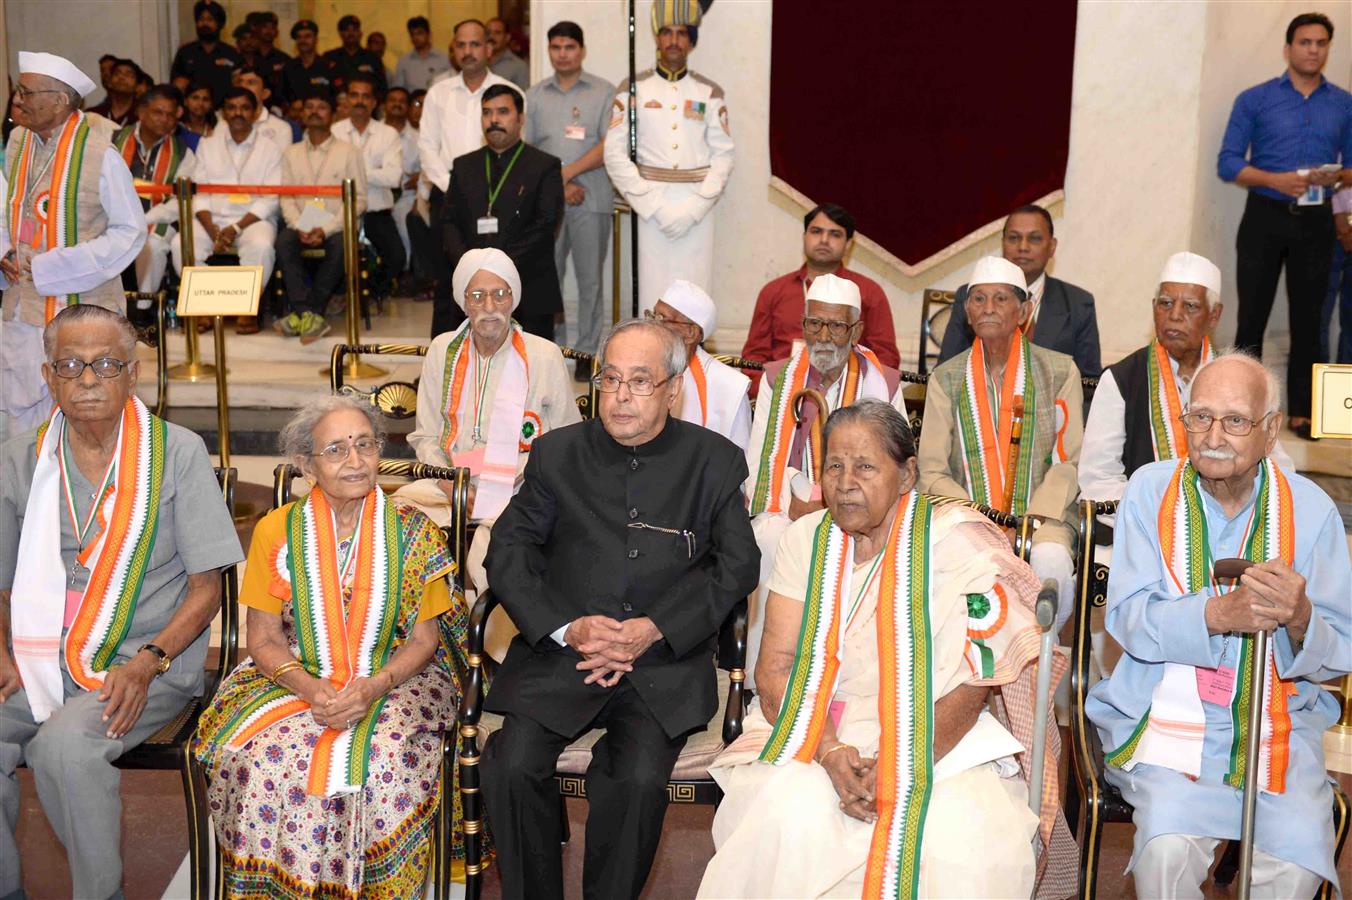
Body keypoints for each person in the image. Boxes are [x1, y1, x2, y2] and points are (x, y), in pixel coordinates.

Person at [698, 400, 1076, 898]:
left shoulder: (956, 543)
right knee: (784, 822)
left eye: (865, 466)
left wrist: (900, 764)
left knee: (968, 843)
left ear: (907, 474)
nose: (845, 481)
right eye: (834, 465)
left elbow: (974, 685)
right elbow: (776, 670)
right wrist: (831, 752)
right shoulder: (804, 539)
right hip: (818, 729)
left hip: (938, 737)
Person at [481, 317, 760, 900]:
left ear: (672, 390)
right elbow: (508, 551)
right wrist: (567, 627)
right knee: (510, 765)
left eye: (640, 381)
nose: (621, 395)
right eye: (610, 380)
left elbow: (736, 566)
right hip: (564, 657)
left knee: (634, 780)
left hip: (659, 666)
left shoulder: (714, 461)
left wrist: (656, 629)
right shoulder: (558, 453)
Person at [0, 305, 244, 899]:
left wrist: (149, 660)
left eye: (106, 364)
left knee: (63, 750)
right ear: (48, 377)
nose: (88, 379)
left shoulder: (177, 453)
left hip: (141, 663)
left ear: (133, 375)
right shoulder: (19, 458)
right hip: (38, 659)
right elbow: (3, 583)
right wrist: (3, 653)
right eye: (72, 365)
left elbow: (206, 587)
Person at [1086, 352, 1351, 897]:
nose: (1213, 436)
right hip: (1163, 716)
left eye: (1235, 421)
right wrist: (1213, 615)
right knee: (1165, 853)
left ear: (1271, 428)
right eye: (1199, 417)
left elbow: (1341, 647)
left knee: (1295, 863)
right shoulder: (1149, 491)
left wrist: (1301, 619)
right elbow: (1127, 620)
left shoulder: (1312, 509)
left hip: (1276, 725)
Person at [193, 394, 468, 898]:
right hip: (292, 673)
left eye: (365, 445)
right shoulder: (277, 530)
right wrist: (309, 686)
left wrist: (374, 685)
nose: (356, 460)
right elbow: (264, 638)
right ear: (306, 464)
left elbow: (426, 640)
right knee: (263, 757)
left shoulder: (414, 531)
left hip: (399, 676)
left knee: (383, 758)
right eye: (336, 450)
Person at [743, 273, 900, 683]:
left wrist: (835, 505)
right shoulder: (778, 378)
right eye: (815, 323)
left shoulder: (882, 383)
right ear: (804, 323)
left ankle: (841, 682)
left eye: (837, 326)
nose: (824, 336)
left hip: (860, 512)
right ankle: (768, 682)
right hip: (786, 508)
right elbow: (758, 461)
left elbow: (893, 467)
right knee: (771, 539)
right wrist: (792, 502)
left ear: (857, 330)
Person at [398, 248, 579, 593]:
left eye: (500, 294)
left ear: (513, 299)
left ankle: (483, 639)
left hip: (518, 489)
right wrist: (448, 481)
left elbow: (567, 440)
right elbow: (424, 436)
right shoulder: (441, 350)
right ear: (464, 303)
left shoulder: (544, 355)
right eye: (477, 296)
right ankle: (433, 631)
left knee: (493, 552)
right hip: (447, 483)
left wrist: (523, 479)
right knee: (394, 525)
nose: (490, 306)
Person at [915, 256, 1082, 628]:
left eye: (1001, 299)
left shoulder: (1059, 370)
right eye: (978, 299)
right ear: (967, 311)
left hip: (1043, 518)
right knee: (950, 563)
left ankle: (1041, 667)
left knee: (1052, 559)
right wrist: (985, 520)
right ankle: (969, 673)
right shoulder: (946, 378)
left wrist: (1024, 524)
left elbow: (1070, 460)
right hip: (968, 517)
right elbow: (932, 469)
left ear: (1024, 310)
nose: (988, 308)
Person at [0, 53, 147, 443]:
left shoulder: (101, 153)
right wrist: (3, 250)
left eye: (27, 92)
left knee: (87, 417)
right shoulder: (16, 142)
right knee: (20, 414)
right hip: (22, 308)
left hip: (82, 309)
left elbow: (130, 232)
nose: (18, 100)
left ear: (60, 101)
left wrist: (53, 268)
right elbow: (3, 207)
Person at [1218, 12, 1352, 438]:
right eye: (1305, 42)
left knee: (1309, 320)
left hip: (1317, 222)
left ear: (1328, 48)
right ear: (1288, 47)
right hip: (1264, 214)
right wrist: (1274, 179)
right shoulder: (1254, 99)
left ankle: (1304, 413)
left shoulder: (1344, 104)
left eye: (1321, 43)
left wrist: (1336, 176)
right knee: (1251, 318)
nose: (1313, 50)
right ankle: (1242, 408)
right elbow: (1228, 162)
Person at [604, 3, 734, 313]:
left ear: (691, 41)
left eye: (681, 33)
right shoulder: (633, 88)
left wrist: (695, 207)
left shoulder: (709, 92)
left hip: (698, 209)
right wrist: (652, 206)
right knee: (654, 295)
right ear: (657, 39)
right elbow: (614, 154)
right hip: (652, 208)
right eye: (666, 33)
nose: (674, 40)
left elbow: (724, 156)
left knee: (696, 294)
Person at [439, 84, 563, 339]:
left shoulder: (544, 165)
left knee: (530, 370)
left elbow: (545, 225)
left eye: (503, 112)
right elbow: (449, 222)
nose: (494, 120)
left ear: (520, 119)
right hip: (469, 284)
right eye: (487, 113)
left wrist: (497, 269)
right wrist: (470, 266)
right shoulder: (464, 166)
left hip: (528, 284)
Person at [526, 20, 616, 367]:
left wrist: (567, 174)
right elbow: (529, 150)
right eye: (556, 48)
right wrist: (558, 185)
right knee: (548, 277)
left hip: (592, 198)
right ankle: (551, 349)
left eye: (569, 47)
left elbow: (610, 144)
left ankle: (587, 351)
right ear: (549, 51)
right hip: (547, 202)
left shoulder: (603, 91)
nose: (562, 54)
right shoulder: (535, 95)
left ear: (582, 50)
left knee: (590, 278)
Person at [938, 204, 1102, 381]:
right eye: (1014, 238)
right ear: (1003, 244)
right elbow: (946, 371)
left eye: (1035, 238)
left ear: (1052, 246)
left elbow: (1089, 383)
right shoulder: (972, 295)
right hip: (979, 405)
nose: (1023, 247)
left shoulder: (1078, 303)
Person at [415, 19, 516, 303]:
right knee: (450, 280)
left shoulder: (509, 92)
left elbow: (516, 147)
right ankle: (448, 345)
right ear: (453, 49)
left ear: (488, 47)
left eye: (474, 44)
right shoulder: (438, 92)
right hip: (448, 196)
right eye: (461, 45)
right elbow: (426, 146)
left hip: (497, 196)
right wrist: (454, 187)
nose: (467, 51)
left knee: (496, 276)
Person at [742, 202, 900, 371]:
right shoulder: (773, 291)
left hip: (848, 392)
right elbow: (753, 359)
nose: (824, 240)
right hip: (781, 391)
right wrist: (773, 393)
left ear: (848, 244)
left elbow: (886, 360)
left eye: (835, 234)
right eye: (816, 232)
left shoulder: (869, 293)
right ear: (804, 237)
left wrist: (856, 392)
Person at [176, 87, 283, 334]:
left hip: (253, 218)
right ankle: (204, 306)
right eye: (232, 108)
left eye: (244, 108)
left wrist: (235, 228)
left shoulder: (270, 148)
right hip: (211, 218)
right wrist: (211, 228)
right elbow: (199, 192)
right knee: (181, 245)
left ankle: (245, 309)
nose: (238, 113)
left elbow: (269, 199)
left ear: (255, 112)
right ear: (223, 113)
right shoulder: (208, 144)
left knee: (262, 246)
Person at [274, 87, 367, 343]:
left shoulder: (349, 152)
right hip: (301, 223)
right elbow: (286, 196)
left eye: (321, 107)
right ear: (302, 113)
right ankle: (308, 313)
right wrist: (299, 226)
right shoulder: (291, 152)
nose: (315, 112)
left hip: (336, 225)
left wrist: (325, 229)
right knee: (283, 241)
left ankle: (307, 311)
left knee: (341, 245)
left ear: (334, 115)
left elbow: (358, 200)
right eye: (309, 107)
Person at [113, 86, 197, 300]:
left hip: (157, 219)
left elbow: (179, 202)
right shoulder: (114, 141)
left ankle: (143, 311)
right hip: (113, 218)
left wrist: (143, 220)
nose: (165, 119)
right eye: (158, 112)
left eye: (170, 115)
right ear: (141, 112)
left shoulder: (183, 152)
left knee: (154, 245)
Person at [647, 278, 751, 448]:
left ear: (690, 333)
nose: (652, 325)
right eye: (653, 315)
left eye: (662, 318)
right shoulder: (637, 369)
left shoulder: (730, 388)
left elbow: (740, 461)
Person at [334, 75, 405, 282]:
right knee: (331, 253)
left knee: (397, 258)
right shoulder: (334, 132)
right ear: (347, 100)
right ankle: (343, 292)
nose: (359, 101)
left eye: (365, 96)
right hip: (340, 210)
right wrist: (374, 171)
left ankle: (374, 291)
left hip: (376, 209)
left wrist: (352, 172)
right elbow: (330, 177)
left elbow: (393, 177)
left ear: (374, 103)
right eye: (354, 95)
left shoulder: (388, 134)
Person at [169, 0, 242, 106]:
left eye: (210, 19)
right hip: (193, 113)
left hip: (224, 111)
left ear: (220, 24)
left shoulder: (231, 53)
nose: (205, 24)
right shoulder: (185, 52)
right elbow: (176, 85)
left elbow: (239, 86)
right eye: (201, 19)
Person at [383, 86, 422, 285]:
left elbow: (427, 168)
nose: (397, 104)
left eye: (402, 101)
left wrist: (421, 176)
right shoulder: (376, 133)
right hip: (378, 194)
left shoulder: (417, 138)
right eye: (392, 100)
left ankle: (404, 274)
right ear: (384, 105)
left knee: (406, 221)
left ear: (407, 107)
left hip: (406, 195)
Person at [233, 64, 293, 149]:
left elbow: (281, 161)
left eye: (251, 82)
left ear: (265, 94)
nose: (243, 87)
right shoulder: (223, 123)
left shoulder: (280, 128)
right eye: (240, 82)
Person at [324, 14, 387, 96]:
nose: (351, 33)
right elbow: (324, 87)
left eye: (354, 30)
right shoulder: (329, 57)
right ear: (340, 34)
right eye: (346, 30)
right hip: (336, 106)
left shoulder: (372, 58)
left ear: (360, 33)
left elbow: (382, 88)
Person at [279, 20, 336, 108]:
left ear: (316, 39)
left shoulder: (328, 66)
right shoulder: (288, 67)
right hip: (294, 118)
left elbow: (334, 96)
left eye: (307, 36)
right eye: (299, 37)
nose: (303, 40)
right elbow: (282, 97)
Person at [1326, 186, 1352, 365]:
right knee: (1316, 316)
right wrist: (1337, 214)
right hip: (1324, 225)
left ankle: (1346, 388)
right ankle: (1319, 389)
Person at [395, 15, 452, 92]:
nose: (415, 37)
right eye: (412, 34)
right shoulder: (404, 62)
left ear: (429, 34)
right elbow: (399, 89)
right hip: (414, 102)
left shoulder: (444, 59)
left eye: (419, 33)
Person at [245, 10, 290, 99]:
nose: (268, 31)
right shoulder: (248, 56)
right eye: (264, 27)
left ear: (277, 32)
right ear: (256, 29)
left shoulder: (284, 59)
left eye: (272, 27)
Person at [87, 58, 139, 128]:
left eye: (128, 74)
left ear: (137, 85)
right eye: (117, 74)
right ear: (109, 82)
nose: (122, 77)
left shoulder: (142, 116)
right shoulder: (93, 115)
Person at [487, 17, 530, 90]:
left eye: (497, 33)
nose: (491, 36)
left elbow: (524, 97)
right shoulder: (477, 62)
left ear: (507, 37)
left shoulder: (519, 66)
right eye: (488, 33)